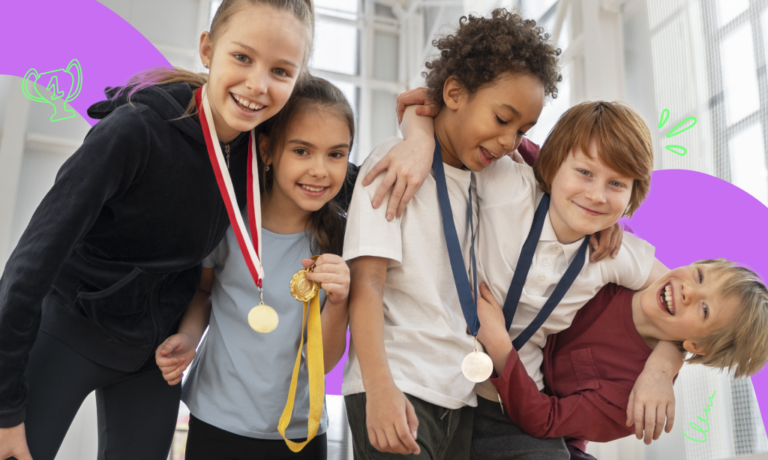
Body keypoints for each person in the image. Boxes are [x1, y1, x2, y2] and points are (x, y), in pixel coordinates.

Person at [0, 1, 432, 459]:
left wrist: (419, 138)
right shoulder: (134, 133)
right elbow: (29, 268)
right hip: (71, 330)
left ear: (297, 78)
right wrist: (5, 406)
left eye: (281, 71)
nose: (257, 85)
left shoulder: (263, 148)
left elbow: (358, 181)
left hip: (156, 357)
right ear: (207, 49)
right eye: (242, 58)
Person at [398, 93, 681, 458]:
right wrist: (418, 138)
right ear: (554, 163)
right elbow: (426, 106)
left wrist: (662, 367)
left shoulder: (614, 252)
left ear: (632, 196)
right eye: (585, 173)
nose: (596, 195)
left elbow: (684, 301)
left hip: (510, 403)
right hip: (441, 373)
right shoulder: (508, 184)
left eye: (616, 184)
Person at [341, 9, 567, 460]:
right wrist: (379, 388)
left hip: (459, 397)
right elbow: (366, 284)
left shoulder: (493, 175)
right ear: (455, 92)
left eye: (521, 130)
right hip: (399, 382)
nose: (509, 141)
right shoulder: (394, 165)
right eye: (502, 118)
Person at [155, 75, 352, 460]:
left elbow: (324, 363)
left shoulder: (342, 240)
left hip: (301, 433)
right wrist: (189, 338)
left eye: (336, 154)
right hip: (217, 420)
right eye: (302, 151)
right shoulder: (228, 219)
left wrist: (341, 301)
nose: (320, 170)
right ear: (267, 150)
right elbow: (204, 292)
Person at [478, 259, 768, 459]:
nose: (688, 290)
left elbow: (545, 419)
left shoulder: (634, 399)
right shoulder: (631, 263)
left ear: (696, 345)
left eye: (704, 310)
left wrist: (499, 346)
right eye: (700, 276)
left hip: (529, 406)